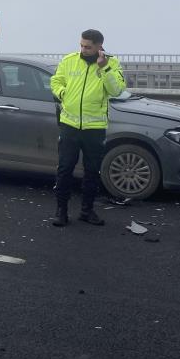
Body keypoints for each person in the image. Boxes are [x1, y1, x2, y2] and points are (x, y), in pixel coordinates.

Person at [49, 29, 126, 227]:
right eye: (81, 45)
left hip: (95, 127)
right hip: (69, 125)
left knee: (92, 171)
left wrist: (104, 68)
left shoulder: (111, 63)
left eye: (88, 47)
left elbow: (116, 90)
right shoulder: (69, 60)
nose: (83, 49)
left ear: (99, 46)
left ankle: (87, 210)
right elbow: (55, 80)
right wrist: (62, 93)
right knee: (64, 169)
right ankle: (61, 211)